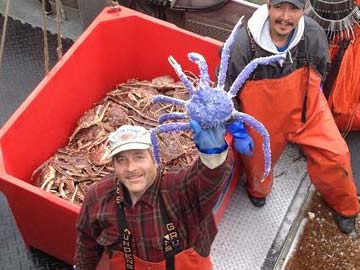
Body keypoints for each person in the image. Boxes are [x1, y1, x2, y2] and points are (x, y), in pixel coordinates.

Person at [223, 0, 360, 234]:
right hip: (263, 120)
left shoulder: (313, 33)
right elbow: (227, 93)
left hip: (308, 109)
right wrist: (237, 130)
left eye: (293, 9)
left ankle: (346, 207)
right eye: (279, 7)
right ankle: (258, 191)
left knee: (336, 155)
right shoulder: (243, 42)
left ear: (303, 10)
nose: (285, 17)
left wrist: (312, 101)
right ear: (268, 6)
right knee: (258, 167)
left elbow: (321, 68)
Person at [74, 122, 233, 270]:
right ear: (113, 165)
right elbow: (86, 245)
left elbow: (209, 178)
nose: (131, 168)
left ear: (155, 157)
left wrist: (213, 153)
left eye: (139, 157)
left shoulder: (179, 188)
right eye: (121, 160)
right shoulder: (97, 197)